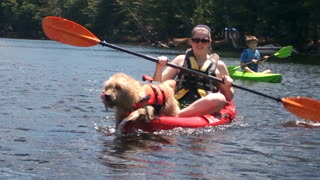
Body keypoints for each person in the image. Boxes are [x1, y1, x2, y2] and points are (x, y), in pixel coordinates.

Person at [153, 25, 234, 117]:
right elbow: (157, 86)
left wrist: (227, 86)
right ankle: (177, 113)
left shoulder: (220, 66)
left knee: (219, 98)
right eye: (196, 40)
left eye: (204, 41)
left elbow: (229, 97)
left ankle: (177, 116)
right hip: (177, 102)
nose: (200, 43)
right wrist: (159, 67)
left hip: (204, 105)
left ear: (209, 42)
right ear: (191, 41)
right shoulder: (180, 60)